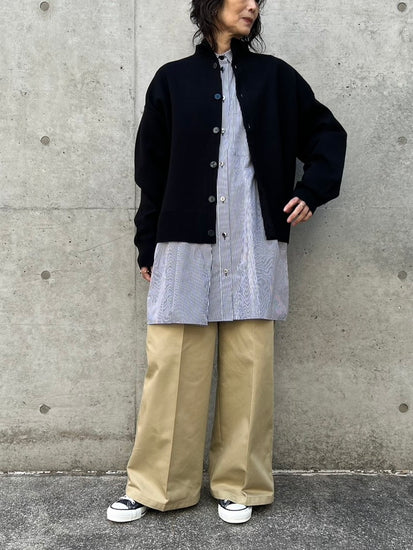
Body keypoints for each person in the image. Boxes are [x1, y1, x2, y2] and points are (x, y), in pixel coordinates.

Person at [107, 0, 347, 524]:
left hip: (252, 243)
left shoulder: (276, 78)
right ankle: (156, 486)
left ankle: (240, 483)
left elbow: (327, 133)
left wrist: (312, 189)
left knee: (249, 367)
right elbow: (151, 168)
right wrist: (147, 241)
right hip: (183, 243)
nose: (253, 5)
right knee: (172, 366)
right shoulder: (172, 81)